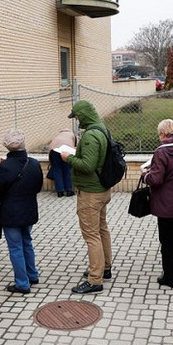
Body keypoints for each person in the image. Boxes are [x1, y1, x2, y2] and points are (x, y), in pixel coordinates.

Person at [60, 100, 113, 294]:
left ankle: (95, 280)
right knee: (102, 229)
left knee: (91, 235)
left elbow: (88, 165)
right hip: (102, 189)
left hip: (91, 193)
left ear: (84, 115)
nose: (77, 121)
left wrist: (69, 158)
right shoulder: (102, 129)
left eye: (77, 117)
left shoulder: (91, 135)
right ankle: (104, 268)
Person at [0, 129, 43, 294]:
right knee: (27, 242)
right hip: (28, 211)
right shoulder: (34, 163)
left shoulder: (5, 166)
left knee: (15, 247)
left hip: (10, 214)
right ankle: (32, 275)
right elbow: (38, 186)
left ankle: (22, 283)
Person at [142, 119, 173, 289]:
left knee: (167, 241)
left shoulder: (161, 152)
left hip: (165, 204)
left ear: (163, 133)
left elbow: (156, 179)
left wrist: (145, 175)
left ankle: (170, 277)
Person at [48, 128, 76, 197]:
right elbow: (75, 146)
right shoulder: (72, 135)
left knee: (57, 169)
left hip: (54, 151)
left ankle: (60, 192)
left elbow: (51, 146)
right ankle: (69, 190)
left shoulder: (58, 135)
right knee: (67, 169)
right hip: (66, 151)